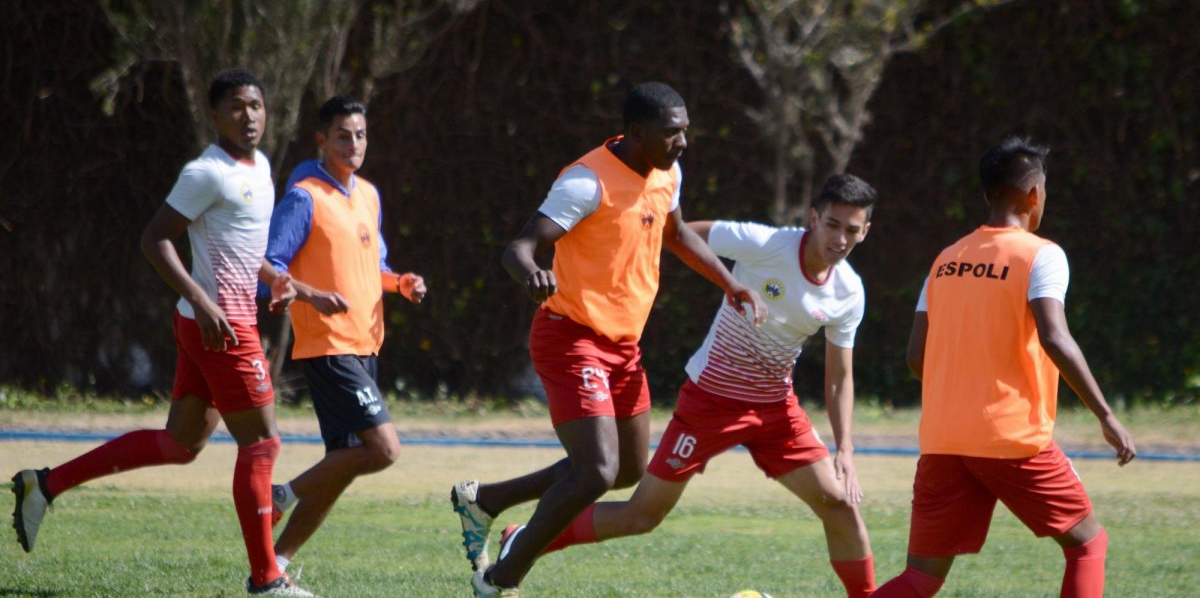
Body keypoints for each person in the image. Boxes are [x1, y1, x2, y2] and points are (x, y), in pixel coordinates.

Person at [452, 81, 766, 597]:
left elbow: (679, 235)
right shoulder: (586, 182)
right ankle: (499, 579)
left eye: (685, 131)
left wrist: (730, 283)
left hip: (624, 346)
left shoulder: (668, 173)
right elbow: (520, 246)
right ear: (636, 133)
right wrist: (531, 273)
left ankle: (485, 500)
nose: (683, 143)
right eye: (671, 134)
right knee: (597, 470)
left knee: (626, 471)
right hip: (571, 336)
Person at [10, 68, 313, 596]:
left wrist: (275, 279)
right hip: (220, 327)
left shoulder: (261, 166)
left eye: (257, 106)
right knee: (262, 445)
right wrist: (204, 301)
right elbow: (154, 239)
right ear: (215, 115)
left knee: (180, 443)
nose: (249, 116)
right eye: (237, 106)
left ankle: (46, 484)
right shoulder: (206, 173)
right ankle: (268, 580)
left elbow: (242, 249)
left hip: (211, 323)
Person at [525, 174, 880, 596]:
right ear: (814, 218)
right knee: (642, 515)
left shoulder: (849, 292)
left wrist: (846, 450)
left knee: (839, 505)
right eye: (833, 225)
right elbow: (677, 235)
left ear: (866, 231)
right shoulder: (765, 244)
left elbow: (839, 378)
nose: (840, 239)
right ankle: (526, 539)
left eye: (852, 230)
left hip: (776, 410)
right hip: (709, 403)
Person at [872, 137, 1137, 598]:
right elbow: (1055, 336)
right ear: (1035, 194)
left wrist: (961, 388)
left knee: (919, 579)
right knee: (1088, 545)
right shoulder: (1041, 254)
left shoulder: (946, 259)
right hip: (1012, 440)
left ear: (986, 194)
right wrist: (1105, 414)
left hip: (944, 438)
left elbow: (917, 356)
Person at [262, 95, 425, 576]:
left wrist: (402, 283)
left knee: (342, 467)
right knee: (383, 449)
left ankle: (275, 565)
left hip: (366, 344)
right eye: (342, 135)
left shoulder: (369, 195)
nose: (353, 144)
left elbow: (376, 266)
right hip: (329, 347)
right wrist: (311, 296)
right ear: (321, 140)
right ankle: (280, 496)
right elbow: (270, 266)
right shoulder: (305, 196)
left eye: (360, 134)